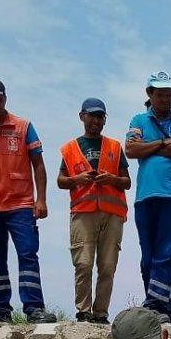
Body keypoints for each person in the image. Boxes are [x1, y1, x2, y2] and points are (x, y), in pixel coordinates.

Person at [0, 77, 57, 325]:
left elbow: (38, 164)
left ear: (6, 99)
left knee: (28, 254)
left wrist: (42, 199)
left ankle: (34, 308)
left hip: (20, 204)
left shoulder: (23, 126)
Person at [126, 71, 171, 323]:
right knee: (148, 256)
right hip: (145, 196)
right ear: (150, 94)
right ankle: (163, 307)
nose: (166, 99)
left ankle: (154, 305)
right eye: (160, 94)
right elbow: (131, 149)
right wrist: (164, 142)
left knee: (166, 253)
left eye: (169, 94)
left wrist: (151, 144)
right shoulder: (138, 119)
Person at [57, 97, 131, 324]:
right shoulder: (70, 148)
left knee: (108, 265)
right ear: (82, 117)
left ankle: (101, 313)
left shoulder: (115, 147)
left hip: (112, 213)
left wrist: (112, 179)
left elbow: (127, 181)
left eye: (101, 116)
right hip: (83, 211)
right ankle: (83, 311)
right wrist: (77, 179)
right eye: (92, 116)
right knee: (84, 262)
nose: (96, 121)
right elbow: (60, 181)